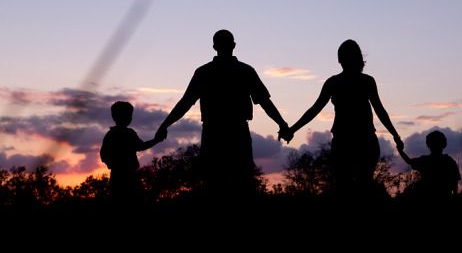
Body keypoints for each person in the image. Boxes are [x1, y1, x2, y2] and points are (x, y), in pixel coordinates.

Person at [155, 29, 288, 198]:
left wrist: (164, 125)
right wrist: (282, 124)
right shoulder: (237, 71)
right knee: (228, 183)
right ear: (232, 46)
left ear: (215, 47)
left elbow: (186, 102)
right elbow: (186, 102)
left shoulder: (211, 72)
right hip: (225, 132)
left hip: (224, 132)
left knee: (226, 183)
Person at [280, 40, 404, 196]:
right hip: (349, 142)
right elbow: (314, 110)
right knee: (354, 187)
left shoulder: (351, 82)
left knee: (350, 187)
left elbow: (380, 111)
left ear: (340, 59)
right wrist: (395, 135)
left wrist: (292, 129)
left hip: (358, 141)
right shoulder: (349, 82)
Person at [100, 101, 164, 204]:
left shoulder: (111, 134)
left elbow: (103, 154)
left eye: (130, 115)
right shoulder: (128, 133)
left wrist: (110, 163)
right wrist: (156, 140)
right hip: (127, 175)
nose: (129, 118)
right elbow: (141, 146)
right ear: (116, 116)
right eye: (128, 115)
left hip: (118, 175)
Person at [398, 130, 461, 198]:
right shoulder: (450, 161)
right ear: (443, 144)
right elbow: (455, 183)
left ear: (429, 145)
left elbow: (409, 161)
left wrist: (400, 150)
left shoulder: (425, 160)